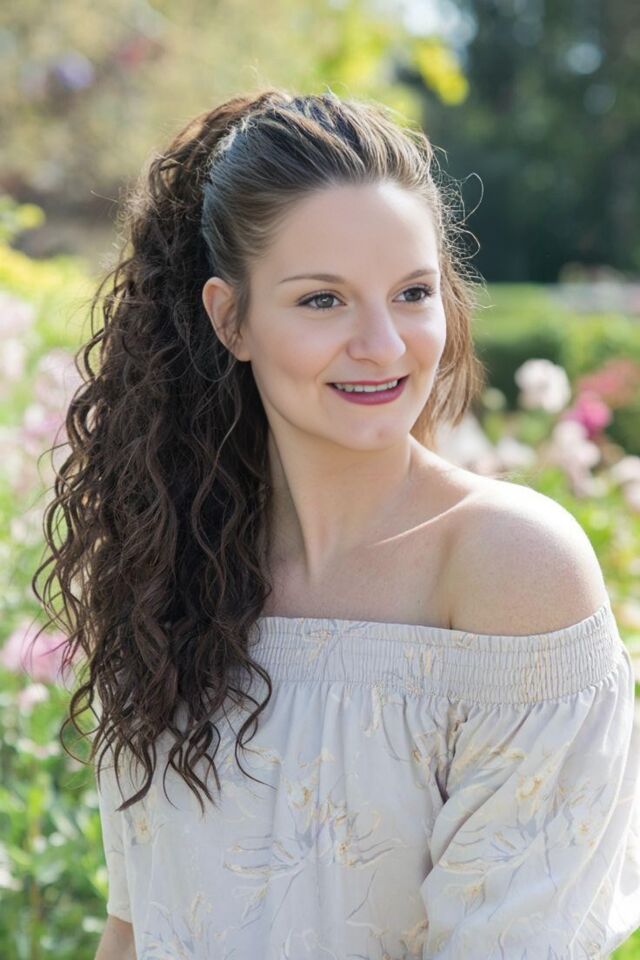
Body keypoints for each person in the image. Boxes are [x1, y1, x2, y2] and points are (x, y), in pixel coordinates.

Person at [37, 87, 639, 958]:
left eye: (412, 293)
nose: (384, 345)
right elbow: (137, 926)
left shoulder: (509, 567)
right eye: (323, 300)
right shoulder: (171, 569)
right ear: (230, 318)